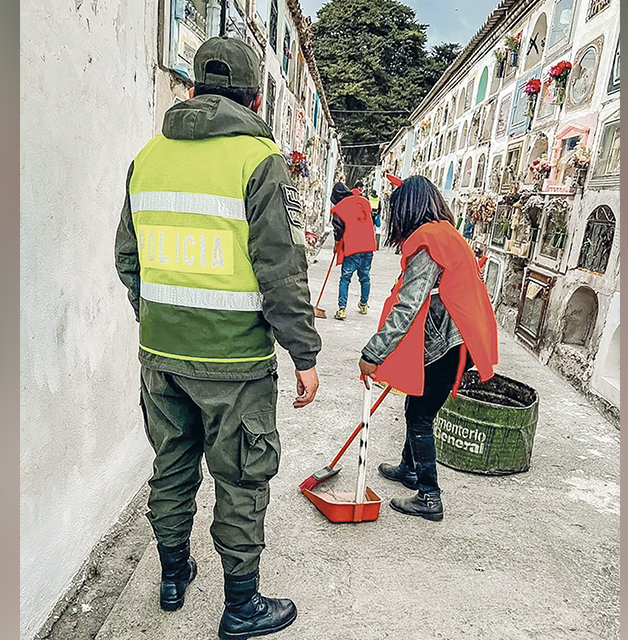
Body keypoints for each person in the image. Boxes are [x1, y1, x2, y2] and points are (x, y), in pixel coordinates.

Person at [115, 37, 320, 640]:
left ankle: (173, 578)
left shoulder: (147, 157)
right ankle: (241, 606)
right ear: (255, 97)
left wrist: (156, 317)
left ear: (192, 88)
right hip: (234, 361)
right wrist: (304, 352)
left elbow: (128, 258)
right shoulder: (258, 160)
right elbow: (281, 268)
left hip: (161, 357)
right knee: (241, 476)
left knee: (172, 462)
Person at [356, 176, 499, 521]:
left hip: (447, 344)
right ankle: (409, 468)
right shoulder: (448, 234)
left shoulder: (427, 242)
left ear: (407, 210)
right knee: (418, 407)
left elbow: (408, 305)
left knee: (419, 415)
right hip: (460, 339)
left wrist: (372, 353)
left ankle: (429, 496)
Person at [329, 181, 377, 320]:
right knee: (365, 277)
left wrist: (336, 245)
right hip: (368, 246)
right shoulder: (364, 201)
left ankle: (342, 309)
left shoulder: (340, 208)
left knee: (345, 278)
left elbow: (338, 230)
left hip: (353, 248)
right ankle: (363, 304)